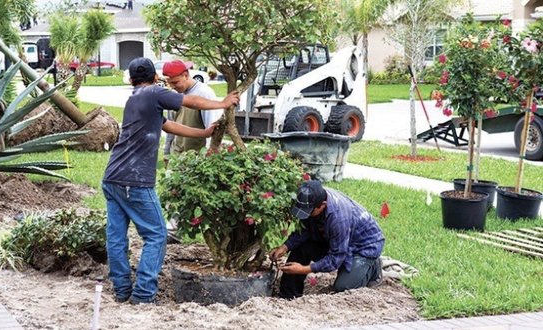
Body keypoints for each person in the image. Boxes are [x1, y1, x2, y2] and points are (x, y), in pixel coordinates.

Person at [102, 57, 239, 305]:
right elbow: (192, 101)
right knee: (156, 234)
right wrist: (223, 102)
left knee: (116, 237)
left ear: (132, 79)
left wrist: (204, 133)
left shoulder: (135, 98)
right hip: (135, 180)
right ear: (155, 78)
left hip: (112, 177)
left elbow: (168, 126)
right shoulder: (153, 93)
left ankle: (122, 291)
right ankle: (143, 295)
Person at [269, 180, 385, 299]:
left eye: (309, 212)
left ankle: (373, 267)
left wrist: (303, 269)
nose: (305, 215)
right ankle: (289, 295)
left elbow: (336, 258)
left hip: (363, 246)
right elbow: (305, 230)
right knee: (301, 247)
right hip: (339, 239)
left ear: (323, 205)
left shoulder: (338, 219)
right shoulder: (311, 201)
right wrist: (284, 247)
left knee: (343, 288)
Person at [161, 60, 223, 162]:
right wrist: (167, 153)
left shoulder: (204, 94)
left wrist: (209, 159)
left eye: (175, 82)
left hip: (197, 160)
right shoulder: (172, 95)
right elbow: (170, 127)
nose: (172, 86)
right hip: (176, 157)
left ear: (186, 75)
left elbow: (212, 130)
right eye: (169, 83)